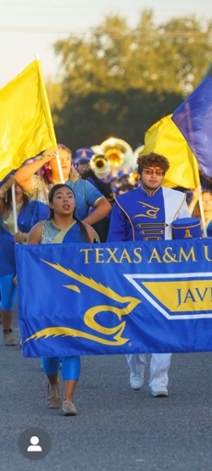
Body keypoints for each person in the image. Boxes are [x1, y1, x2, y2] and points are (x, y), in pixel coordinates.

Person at [107, 153, 190, 397]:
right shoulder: (123, 201)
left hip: (167, 272)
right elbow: (115, 241)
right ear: (140, 173)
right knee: (134, 325)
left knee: (165, 326)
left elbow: (187, 234)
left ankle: (159, 381)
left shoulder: (177, 199)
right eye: (149, 171)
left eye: (158, 172)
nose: (154, 176)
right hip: (133, 273)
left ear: (163, 175)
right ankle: (136, 369)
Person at [27, 184, 99, 416]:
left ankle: (68, 400)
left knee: (72, 347)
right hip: (47, 299)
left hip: (76, 299)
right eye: (59, 196)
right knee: (50, 350)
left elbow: (99, 266)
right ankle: (54, 386)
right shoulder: (39, 230)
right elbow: (29, 265)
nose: (66, 200)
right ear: (51, 204)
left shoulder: (87, 231)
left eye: (70, 196)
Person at [14, 144, 111, 227]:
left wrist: (83, 224)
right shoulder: (40, 185)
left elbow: (105, 206)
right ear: (49, 165)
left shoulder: (83, 185)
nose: (64, 162)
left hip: (75, 243)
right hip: (45, 246)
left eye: (67, 158)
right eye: (59, 159)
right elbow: (19, 178)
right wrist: (42, 160)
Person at [0, 177, 32, 346]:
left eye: (21, 180)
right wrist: (5, 187)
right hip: (5, 255)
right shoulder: (3, 205)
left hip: (27, 253)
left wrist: (25, 236)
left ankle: (26, 334)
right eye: (14, 181)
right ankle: (7, 331)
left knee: (27, 295)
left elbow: (42, 226)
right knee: (7, 298)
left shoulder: (33, 205)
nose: (17, 184)